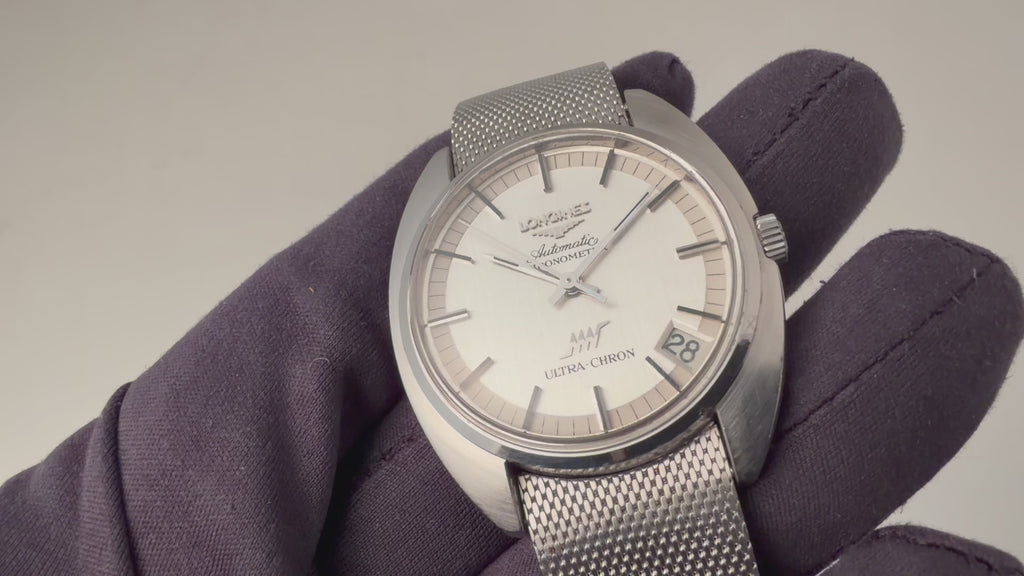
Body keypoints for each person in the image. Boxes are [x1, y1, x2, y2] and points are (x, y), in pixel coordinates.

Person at [0, 51, 1021, 576]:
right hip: (540, 442)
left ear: (756, 240)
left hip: (680, 411)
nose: (571, 289)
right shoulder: (473, 416)